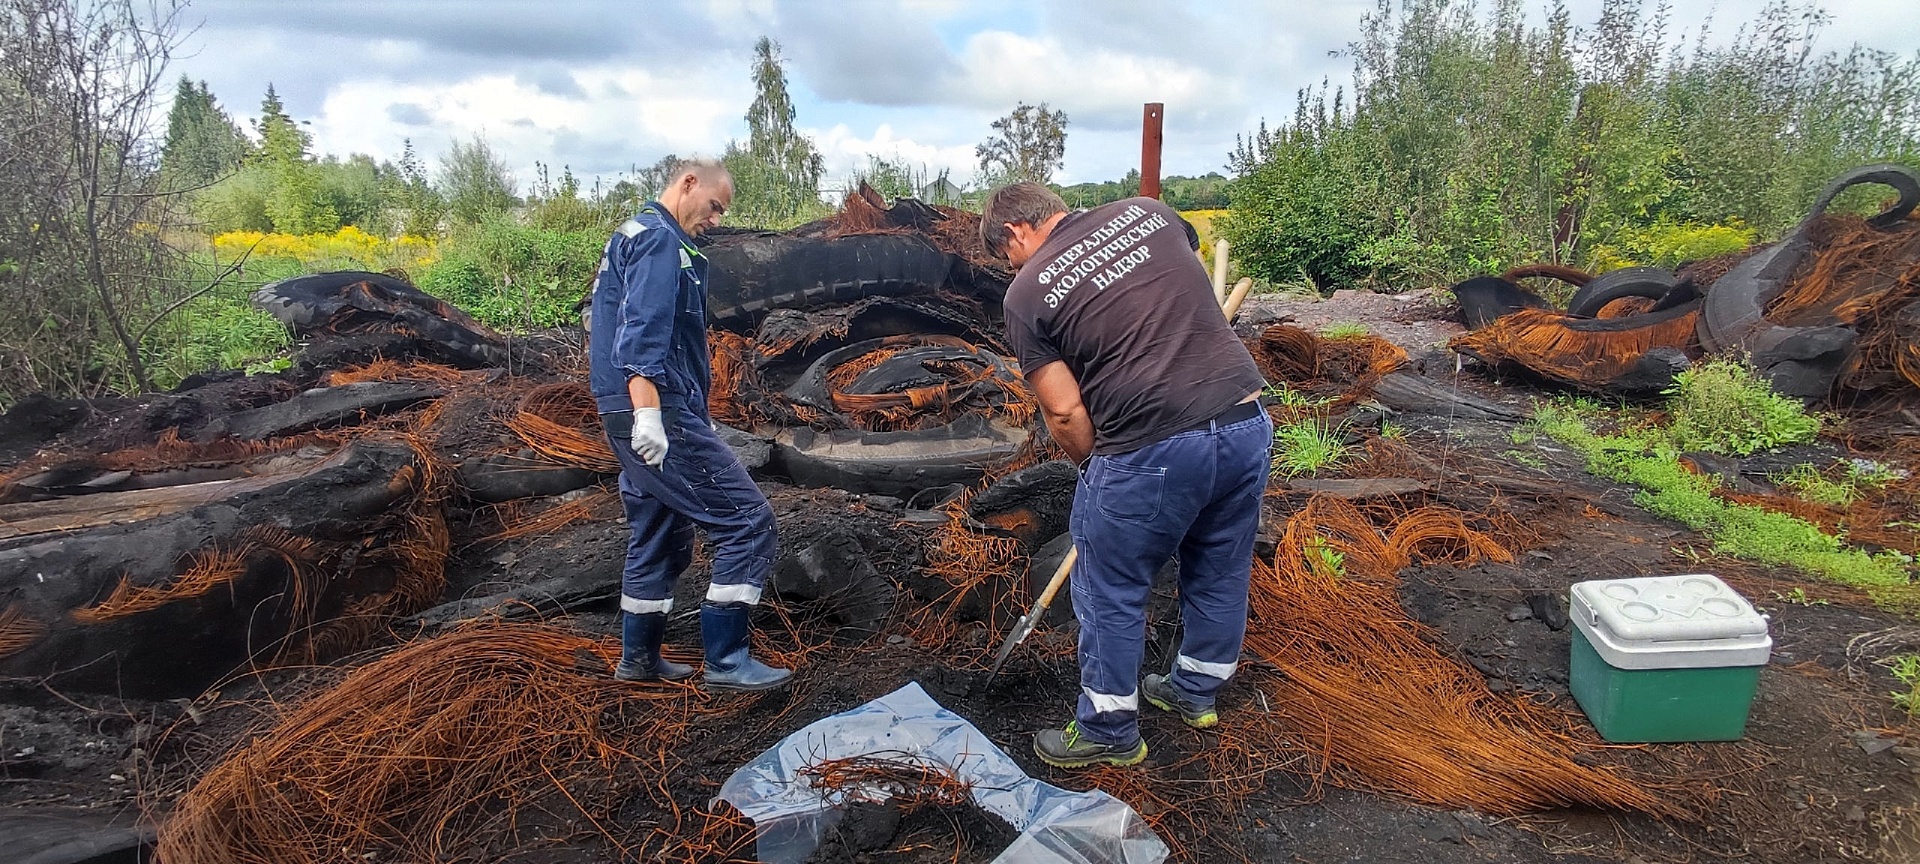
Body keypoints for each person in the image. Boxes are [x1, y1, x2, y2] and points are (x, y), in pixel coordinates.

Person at [982, 182, 1270, 768]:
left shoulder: (1027, 292)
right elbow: (1173, 288)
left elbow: (1065, 411)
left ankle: (1109, 728)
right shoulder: (1150, 213)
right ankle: (1196, 690)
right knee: (1219, 565)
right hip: (1244, 422)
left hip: (1149, 446)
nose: (1013, 267)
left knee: (1110, 587)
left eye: (1007, 256)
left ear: (1015, 230)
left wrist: (1098, 468)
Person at [586, 159, 791, 691]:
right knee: (747, 521)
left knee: (659, 530)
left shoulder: (633, 233)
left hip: (630, 408)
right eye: (715, 206)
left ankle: (639, 659)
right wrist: (650, 414)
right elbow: (642, 333)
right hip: (655, 409)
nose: (717, 220)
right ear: (688, 183)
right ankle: (727, 659)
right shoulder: (661, 241)